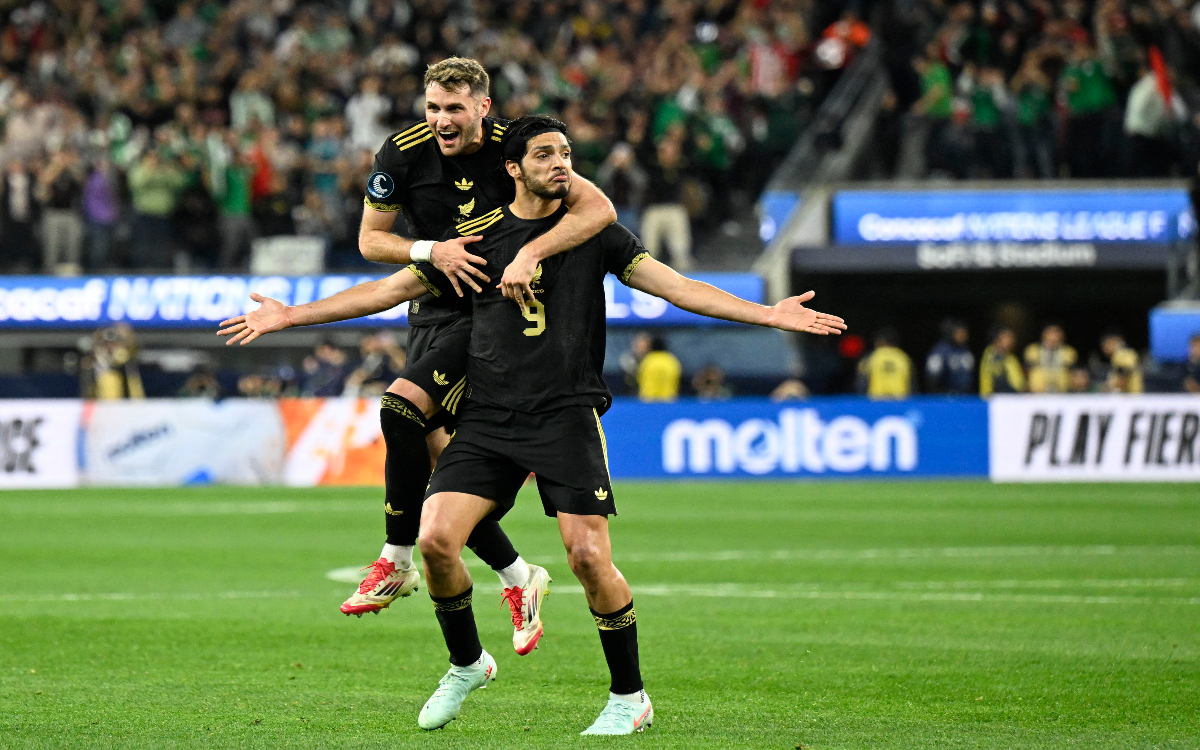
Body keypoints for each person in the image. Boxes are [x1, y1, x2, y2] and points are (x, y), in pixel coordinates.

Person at [218, 114, 846, 735]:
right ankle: (467, 663)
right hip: (491, 418)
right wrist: (291, 316)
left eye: (566, 152)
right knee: (436, 539)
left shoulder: (597, 234)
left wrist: (769, 315)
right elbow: (384, 291)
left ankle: (630, 697)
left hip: (564, 415)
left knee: (589, 557)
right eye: (545, 155)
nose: (560, 163)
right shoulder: (477, 239)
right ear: (513, 169)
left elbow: (679, 288)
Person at [344, 58, 617, 648]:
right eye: (433, 108)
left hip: (489, 311)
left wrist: (530, 255)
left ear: (483, 108)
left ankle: (396, 557)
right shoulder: (401, 153)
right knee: (441, 468)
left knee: (401, 410)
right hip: (433, 300)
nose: (442, 120)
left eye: (454, 110)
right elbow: (371, 242)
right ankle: (519, 576)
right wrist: (431, 248)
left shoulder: (519, 147)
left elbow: (598, 210)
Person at [925, 319, 975, 394]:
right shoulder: (940, 351)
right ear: (952, 333)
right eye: (960, 333)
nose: (963, 335)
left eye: (964, 332)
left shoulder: (966, 350)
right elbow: (932, 378)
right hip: (946, 397)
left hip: (965, 396)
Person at [858, 329, 912, 399]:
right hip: (899, 400)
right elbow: (911, 382)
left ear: (880, 342)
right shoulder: (903, 358)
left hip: (876, 400)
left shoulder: (872, 357)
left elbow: (861, 382)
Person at [1025, 324, 1077, 393]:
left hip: (1061, 391)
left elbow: (1071, 370)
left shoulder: (1068, 352)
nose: (1053, 337)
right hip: (1038, 391)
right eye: (1050, 333)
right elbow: (1026, 369)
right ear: (1044, 335)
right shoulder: (1033, 350)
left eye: (1056, 334)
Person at [979, 326, 1026, 396]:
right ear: (997, 339)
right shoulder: (990, 356)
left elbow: (1018, 383)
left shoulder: (1011, 358)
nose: (1011, 340)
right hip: (996, 399)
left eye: (1011, 338)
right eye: (1007, 337)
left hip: (1013, 398)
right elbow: (986, 380)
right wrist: (986, 396)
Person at [637, 336, 681, 401]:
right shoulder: (671, 360)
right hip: (668, 399)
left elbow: (639, 377)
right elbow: (677, 378)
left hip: (649, 398)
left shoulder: (647, 360)